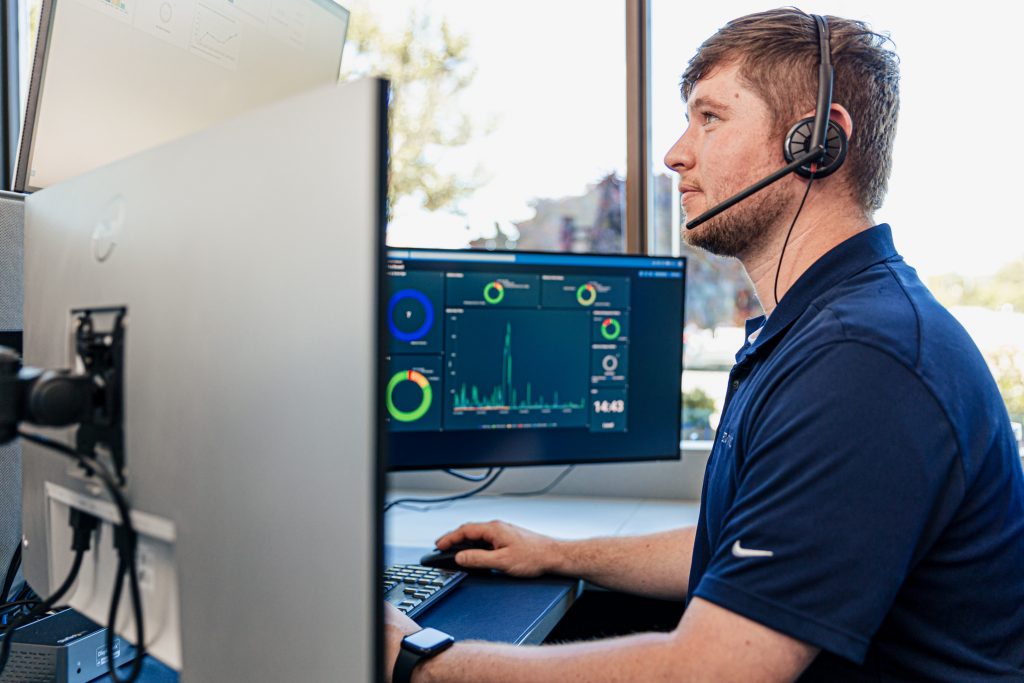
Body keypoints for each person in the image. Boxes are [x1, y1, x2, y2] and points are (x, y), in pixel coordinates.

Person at [385, 8, 1024, 682]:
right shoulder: (825, 328)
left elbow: (711, 670)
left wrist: (418, 661)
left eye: (710, 118)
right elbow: (751, 547)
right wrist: (561, 552)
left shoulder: (863, 361)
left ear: (817, 143)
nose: (674, 153)